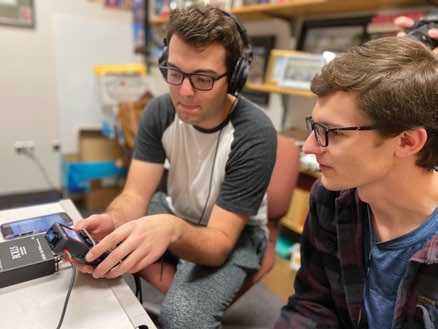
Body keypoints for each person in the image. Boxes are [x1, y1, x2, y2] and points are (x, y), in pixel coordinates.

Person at [74, 3, 277, 329]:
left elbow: (219, 244)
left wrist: (170, 229)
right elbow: (135, 196)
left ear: (234, 78)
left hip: (234, 234)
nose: (184, 91)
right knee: (102, 265)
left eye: (203, 78)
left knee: (182, 319)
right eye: (175, 71)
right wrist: (113, 218)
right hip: (172, 208)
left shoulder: (255, 134)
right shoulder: (158, 112)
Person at [275, 36, 437, 329]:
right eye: (315, 127)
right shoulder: (330, 198)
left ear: (406, 141)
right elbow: (313, 306)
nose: (309, 147)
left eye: (334, 133)